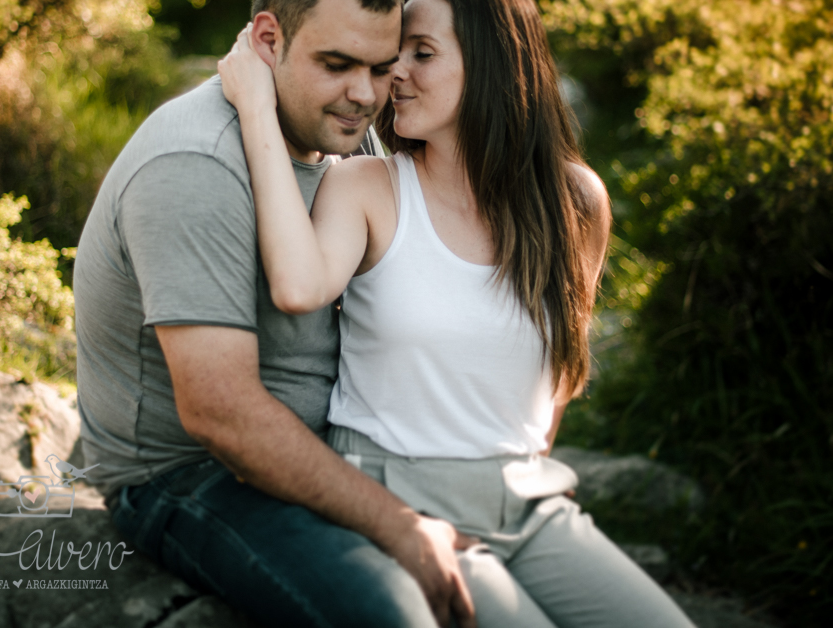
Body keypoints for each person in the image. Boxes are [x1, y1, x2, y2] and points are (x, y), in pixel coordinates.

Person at [218, 0, 697, 626]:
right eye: (398, 56)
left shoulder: (577, 202)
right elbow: (297, 286)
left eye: (423, 54)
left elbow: (556, 375)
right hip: (403, 499)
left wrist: (516, 466)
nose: (395, 76)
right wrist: (256, 107)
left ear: (495, 65)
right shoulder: (366, 186)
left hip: (529, 504)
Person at [73, 0, 480, 626]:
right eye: (336, 64)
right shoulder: (196, 164)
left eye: (379, 67)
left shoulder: (347, 135)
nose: (363, 94)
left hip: (338, 441)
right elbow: (220, 413)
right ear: (268, 39)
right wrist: (398, 527)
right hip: (187, 473)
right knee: (394, 611)